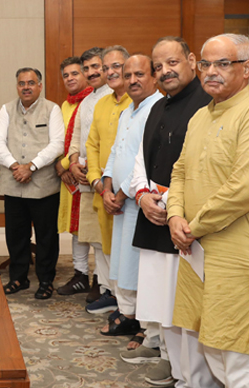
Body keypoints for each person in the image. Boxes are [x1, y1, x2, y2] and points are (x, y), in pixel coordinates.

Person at [168, 33, 249, 388]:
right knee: (215, 346)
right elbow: (181, 170)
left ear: (247, 67)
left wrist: (192, 226)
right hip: (202, 251)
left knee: (244, 365)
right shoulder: (202, 115)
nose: (211, 72)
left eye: (223, 64)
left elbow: (245, 188)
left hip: (244, 256)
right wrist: (174, 215)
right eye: (205, 64)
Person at [123, 38, 224, 388]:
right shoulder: (157, 107)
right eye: (159, 65)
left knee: (188, 313)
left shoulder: (208, 106)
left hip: (186, 226)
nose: (165, 71)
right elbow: (140, 161)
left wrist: (167, 203)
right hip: (154, 219)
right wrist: (141, 195)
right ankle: (184, 383)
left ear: (191, 61)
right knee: (166, 311)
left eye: (172, 62)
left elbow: (203, 169)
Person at [99, 54, 163, 338]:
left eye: (139, 74)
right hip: (120, 199)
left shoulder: (157, 109)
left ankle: (145, 324)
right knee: (124, 260)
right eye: (128, 76)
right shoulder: (128, 110)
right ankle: (129, 313)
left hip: (140, 200)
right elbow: (115, 151)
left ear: (153, 77)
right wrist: (107, 186)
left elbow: (144, 160)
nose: (132, 81)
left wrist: (123, 193)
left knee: (140, 265)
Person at [0, 67, 65, 300]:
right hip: (14, 183)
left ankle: (45, 281)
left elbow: (57, 145)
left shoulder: (52, 109)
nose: (26, 87)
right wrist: (15, 166)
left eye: (31, 83)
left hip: (43, 185)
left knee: (46, 236)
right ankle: (18, 278)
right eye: (22, 83)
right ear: (17, 86)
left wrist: (31, 166)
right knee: (15, 234)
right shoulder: (6, 109)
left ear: (39, 86)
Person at [60, 47, 114, 302]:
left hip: (105, 179)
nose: (91, 73)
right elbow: (77, 139)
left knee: (108, 240)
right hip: (85, 178)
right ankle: (102, 285)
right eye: (87, 69)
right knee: (93, 238)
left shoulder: (115, 96)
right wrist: (72, 162)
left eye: (96, 67)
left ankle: (107, 287)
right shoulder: (87, 101)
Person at [83, 46, 132, 313]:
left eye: (117, 66)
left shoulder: (139, 103)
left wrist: (120, 189)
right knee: (105, 245)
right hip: (102, 189)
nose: (110, 72)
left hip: (130, 193)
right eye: (106, 67)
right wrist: (95, 180)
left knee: (127, 249)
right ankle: (113, 293)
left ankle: (129, 306)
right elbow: (92, 144)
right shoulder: (101, 103)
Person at [53, 56, 95, 296]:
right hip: (68, 176)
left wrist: (70, 164)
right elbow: (62, 141)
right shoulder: (65, 105)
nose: (70, 78)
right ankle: (80, 274)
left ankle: (99, 280)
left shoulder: (95, 101)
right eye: (66, 75)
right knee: (76, 228)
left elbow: (88, 139)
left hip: (86, 173)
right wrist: (60, 166)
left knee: (94, 229)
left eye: (75, 73)